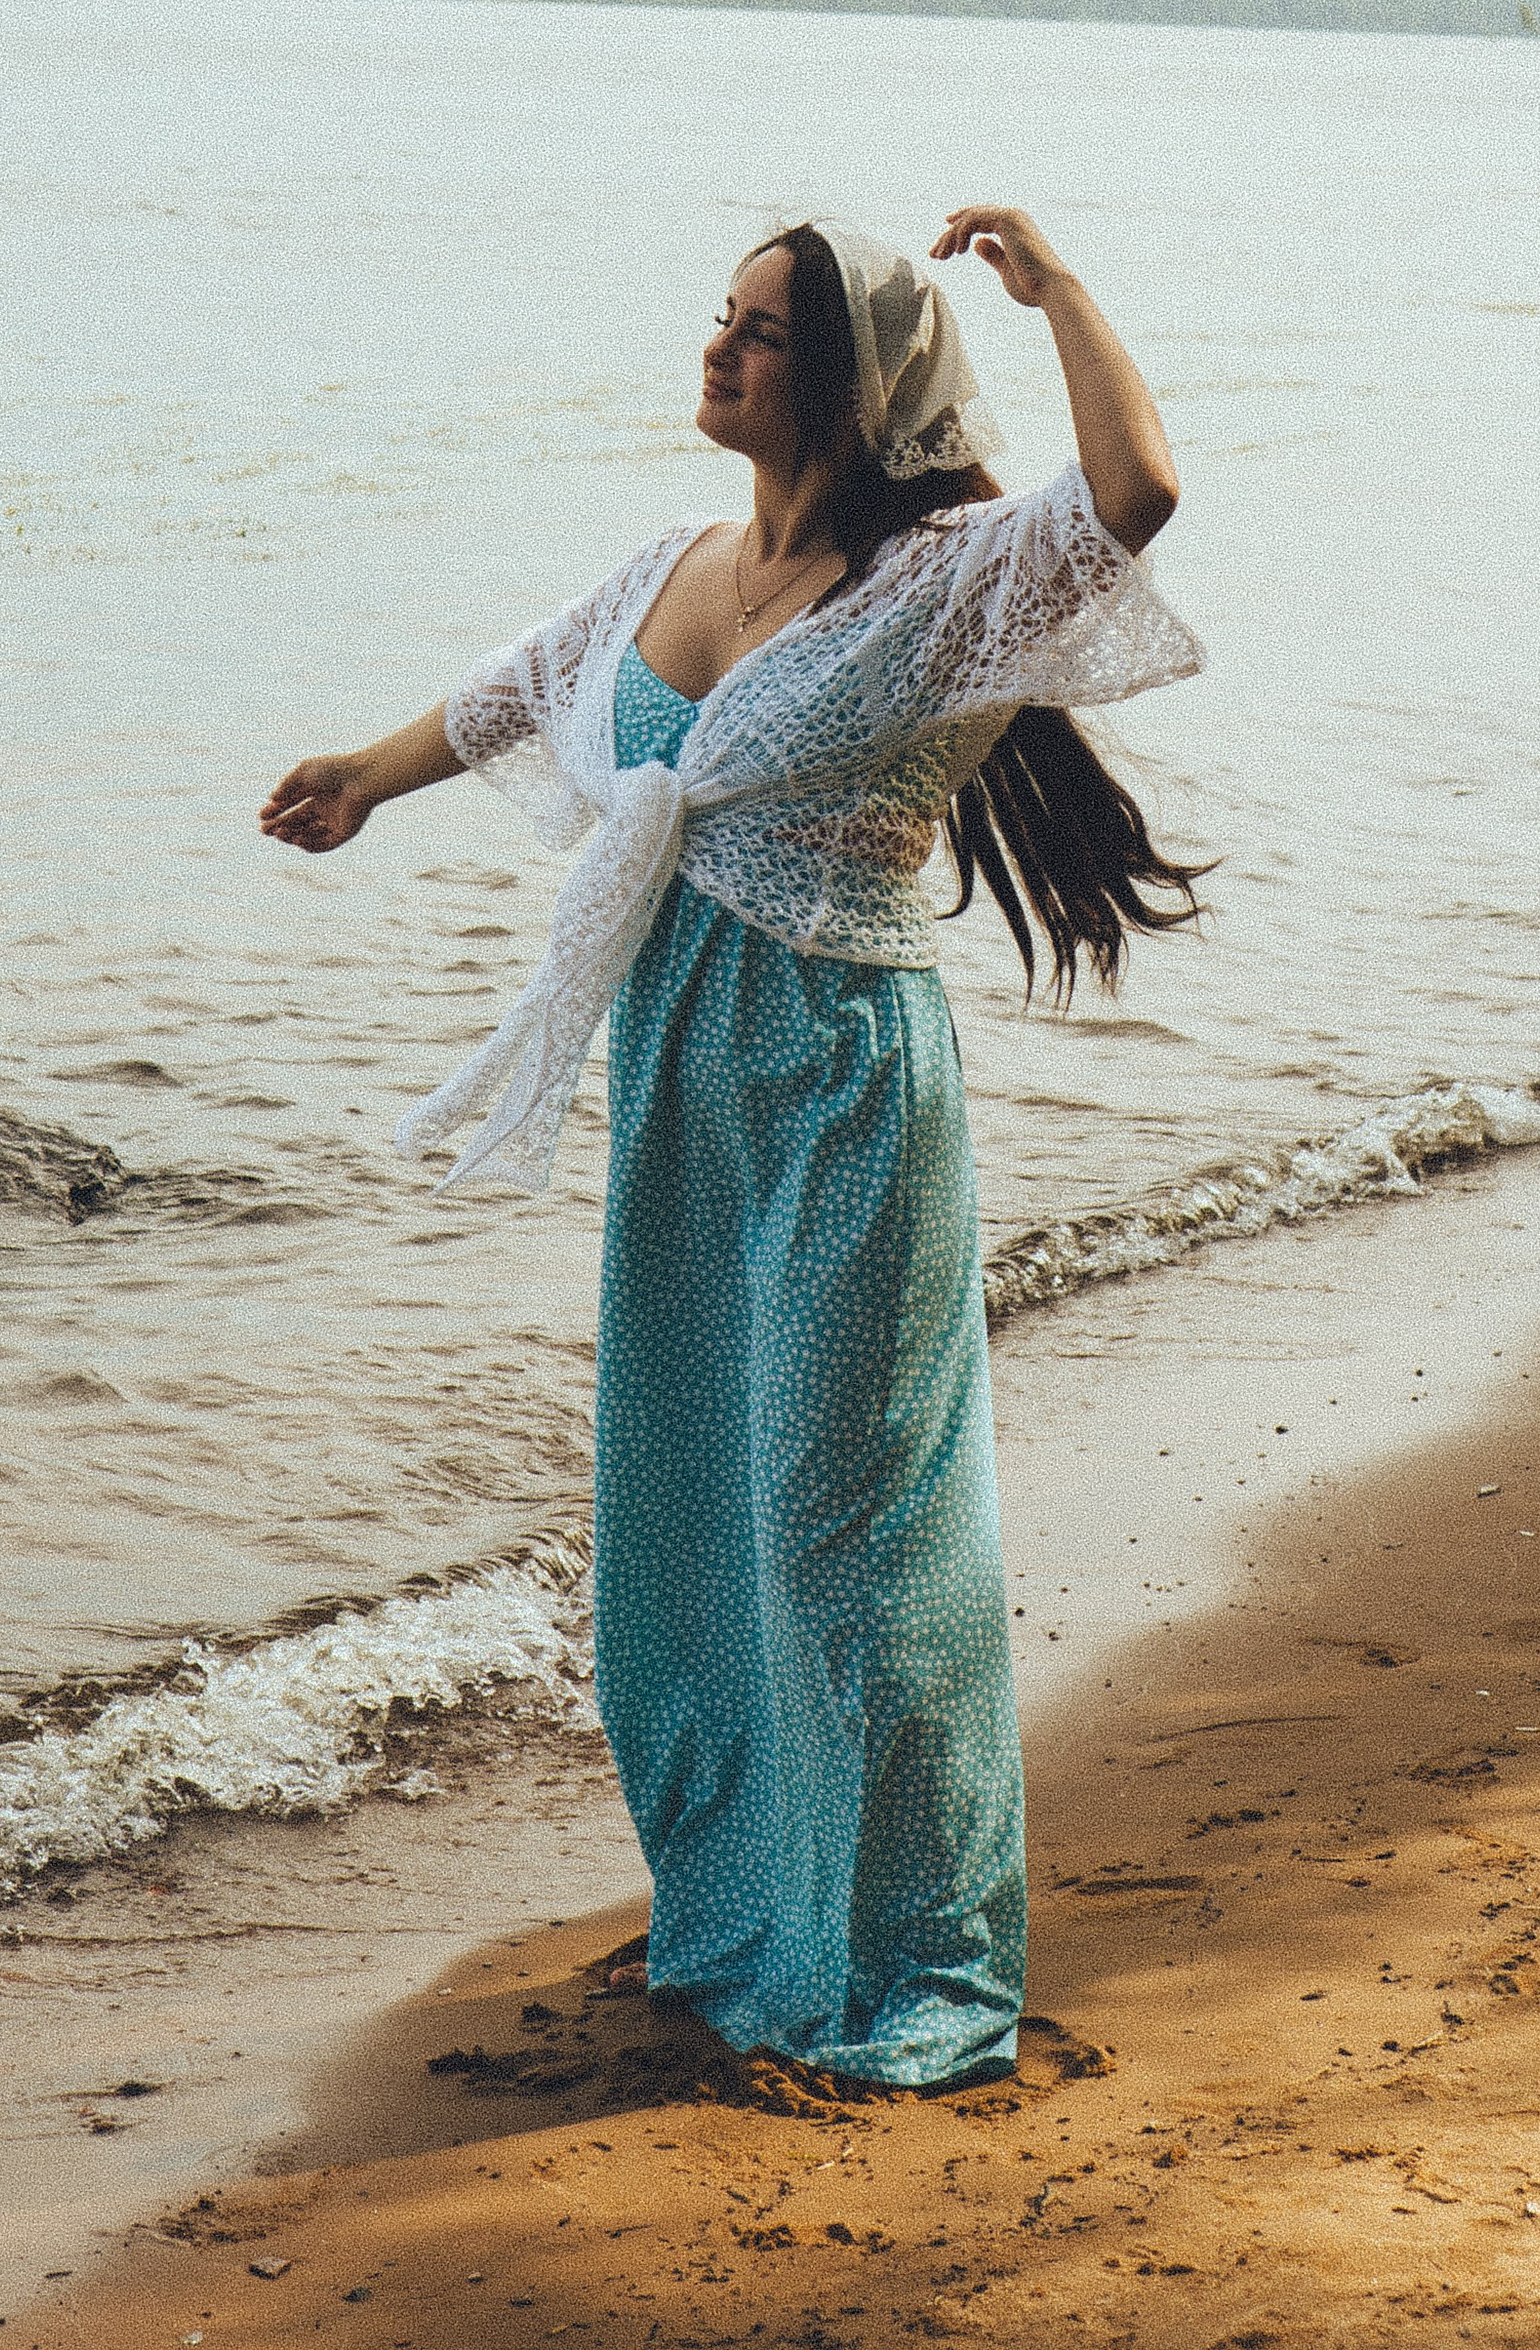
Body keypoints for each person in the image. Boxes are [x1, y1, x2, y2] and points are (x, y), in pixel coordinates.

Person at [260, 207, 1205, 2091]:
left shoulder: (953, 581)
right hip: (682, 1072)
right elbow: (522, 686)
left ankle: (906, 1952)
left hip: (843, 1073)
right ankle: (746, 1899)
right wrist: (370, 773)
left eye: (764, 336)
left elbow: (1138, 495)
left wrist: (1061, 295)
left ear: (854, 389)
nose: (722, 353)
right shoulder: (674, 563)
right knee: (687, 1503)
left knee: (848, 1527)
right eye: (725, 321)